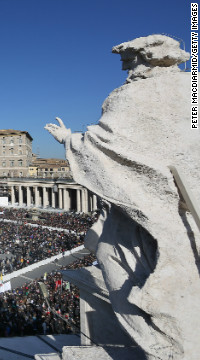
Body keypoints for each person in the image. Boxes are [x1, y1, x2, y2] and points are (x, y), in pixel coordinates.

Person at [46, 35, 199, 359]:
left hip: (142, 208)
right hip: (185, 209)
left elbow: (103, 147)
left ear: (147, 59)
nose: (125, 68)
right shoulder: (193, 91)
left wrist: (69, 139)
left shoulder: (129, 97)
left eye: (128, 61)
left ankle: (163, 346)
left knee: (113, 260)